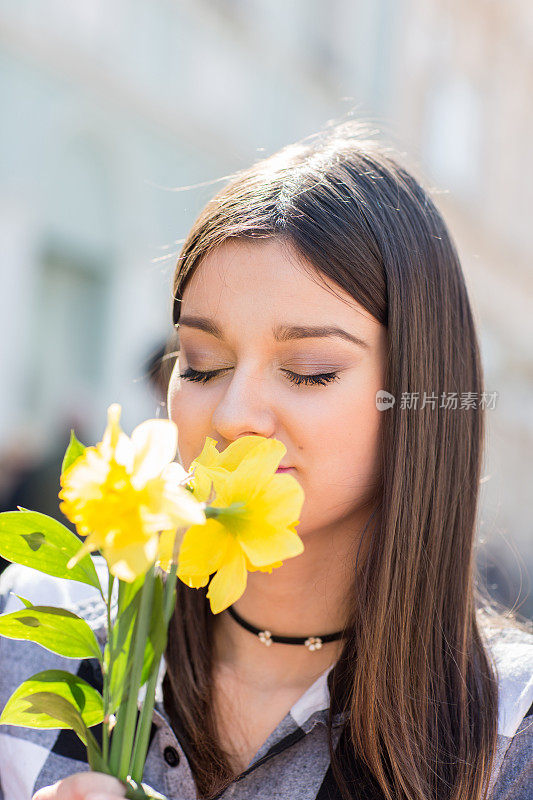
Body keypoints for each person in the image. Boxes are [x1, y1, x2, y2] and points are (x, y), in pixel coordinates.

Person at [1, 122, 532, 800]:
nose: (231, 416)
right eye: (201, 365)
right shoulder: (35, 633)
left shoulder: (507, 734)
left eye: (308, 371)